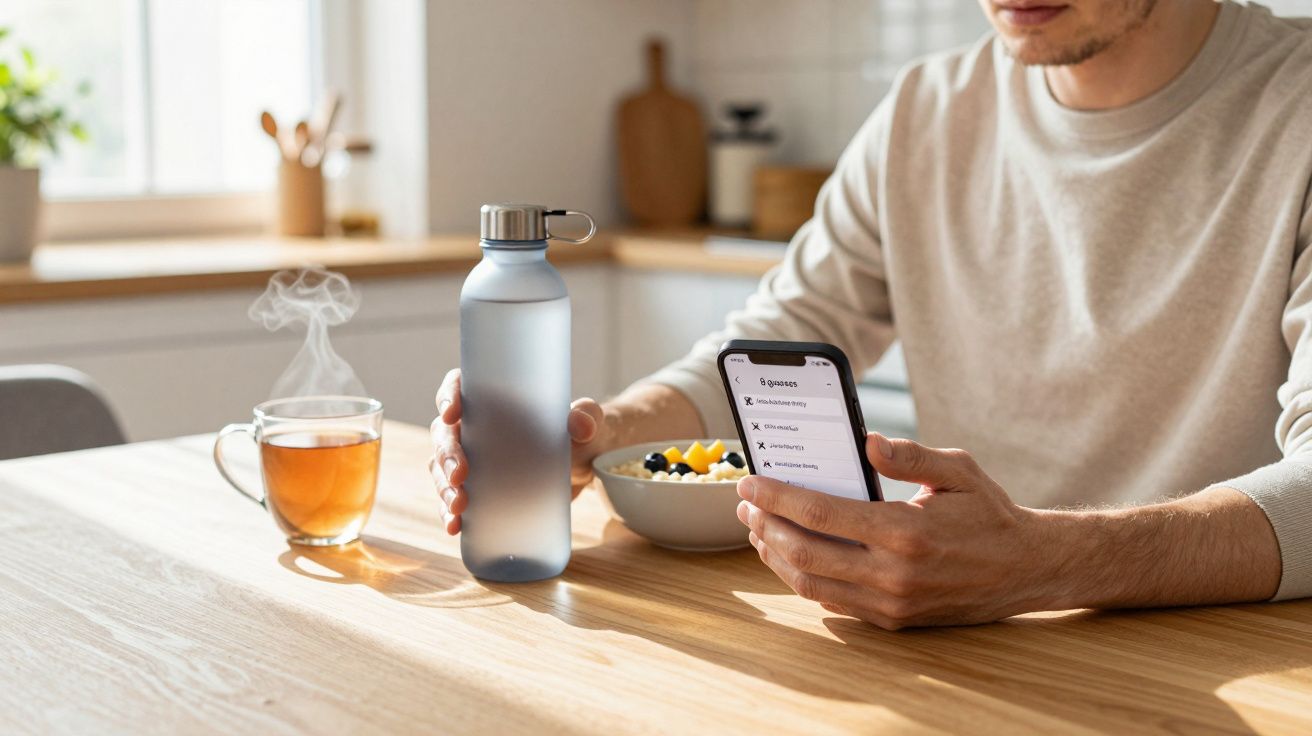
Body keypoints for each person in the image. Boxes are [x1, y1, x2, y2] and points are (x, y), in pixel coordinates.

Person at [432, 0, 1312, 629]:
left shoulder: (1294, 104)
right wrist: (594, 431)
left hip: (1219, 650)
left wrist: (1046, 562)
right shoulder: (927, 112)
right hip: (967, 648)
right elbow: (780, 334)